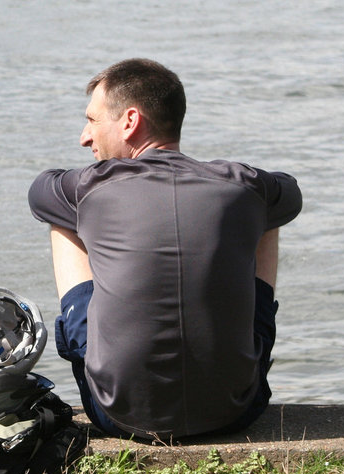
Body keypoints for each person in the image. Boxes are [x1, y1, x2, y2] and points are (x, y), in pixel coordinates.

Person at [28, 59, 302, 441]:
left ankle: (111, 364)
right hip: (236, 409)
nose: (84, 138)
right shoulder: (243, 183)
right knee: (265, 213)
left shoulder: (88, 187)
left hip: (118, 414)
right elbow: (289, 192)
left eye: (92, 120)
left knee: (62, 218)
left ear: (129, 121)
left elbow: (40, 190)